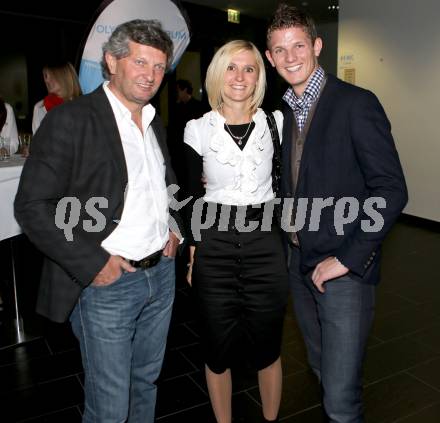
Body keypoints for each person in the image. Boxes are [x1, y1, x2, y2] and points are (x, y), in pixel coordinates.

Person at [15, 19, 183, 423]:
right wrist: (94, 265)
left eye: (159, 67)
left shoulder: (152, 119)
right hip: (109, 283)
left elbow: (165, 181)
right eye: (140, 62)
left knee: (145, 383)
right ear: (111, 60)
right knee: (109, 406)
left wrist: (174, 226)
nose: (151, 76)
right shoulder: (71, 120)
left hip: (160, 276)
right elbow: (32, 206)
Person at [265, 4, 408, 422]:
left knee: (341, 400)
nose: (291, 57)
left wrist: (346, 260)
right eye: (280, 49)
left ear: (317, 46)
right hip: (298, 265)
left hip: (342, 270)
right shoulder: (283, 112)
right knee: (322, 372)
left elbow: (391, 190)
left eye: (298, 46)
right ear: (270, 58)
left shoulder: (356, 104)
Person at [184, 40, 288, 423]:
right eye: (231, 67)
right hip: (215, 241)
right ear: (217, 73)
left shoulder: (275, 122)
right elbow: (193, 198)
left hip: (265, 241)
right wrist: (194, 253)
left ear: (259, 76)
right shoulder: (197, 129)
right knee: (216, 348)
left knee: (268, 346)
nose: (240, 77)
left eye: (249, 68)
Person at [167, 79, 204, 191]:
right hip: (179, 150)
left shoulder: (198, 106)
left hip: (193, 150)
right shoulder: (177, 108)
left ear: (185, 90)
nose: (177, 93)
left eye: (178, 90)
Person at [32, 61, 82, 134]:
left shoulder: (82, 105)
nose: (47, 80)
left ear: (64, 76)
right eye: (45, 76)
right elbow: (37, 141)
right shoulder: (40, 108)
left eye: (51, 75)